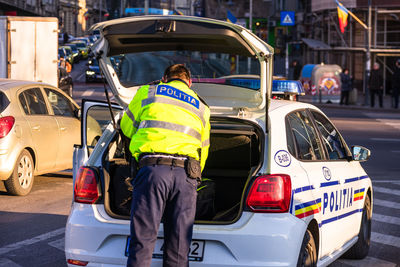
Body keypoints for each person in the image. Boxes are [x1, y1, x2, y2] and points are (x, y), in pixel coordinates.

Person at [120, 64, 211, 267]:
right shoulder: (202, 107)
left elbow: (125, 128)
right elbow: (203, 152)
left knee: (142, 243)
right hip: (186, 176)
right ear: (189, 82)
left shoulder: (148, 92)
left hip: (152, 171)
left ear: (164, 79)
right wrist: (195, 179)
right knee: (179, 249)